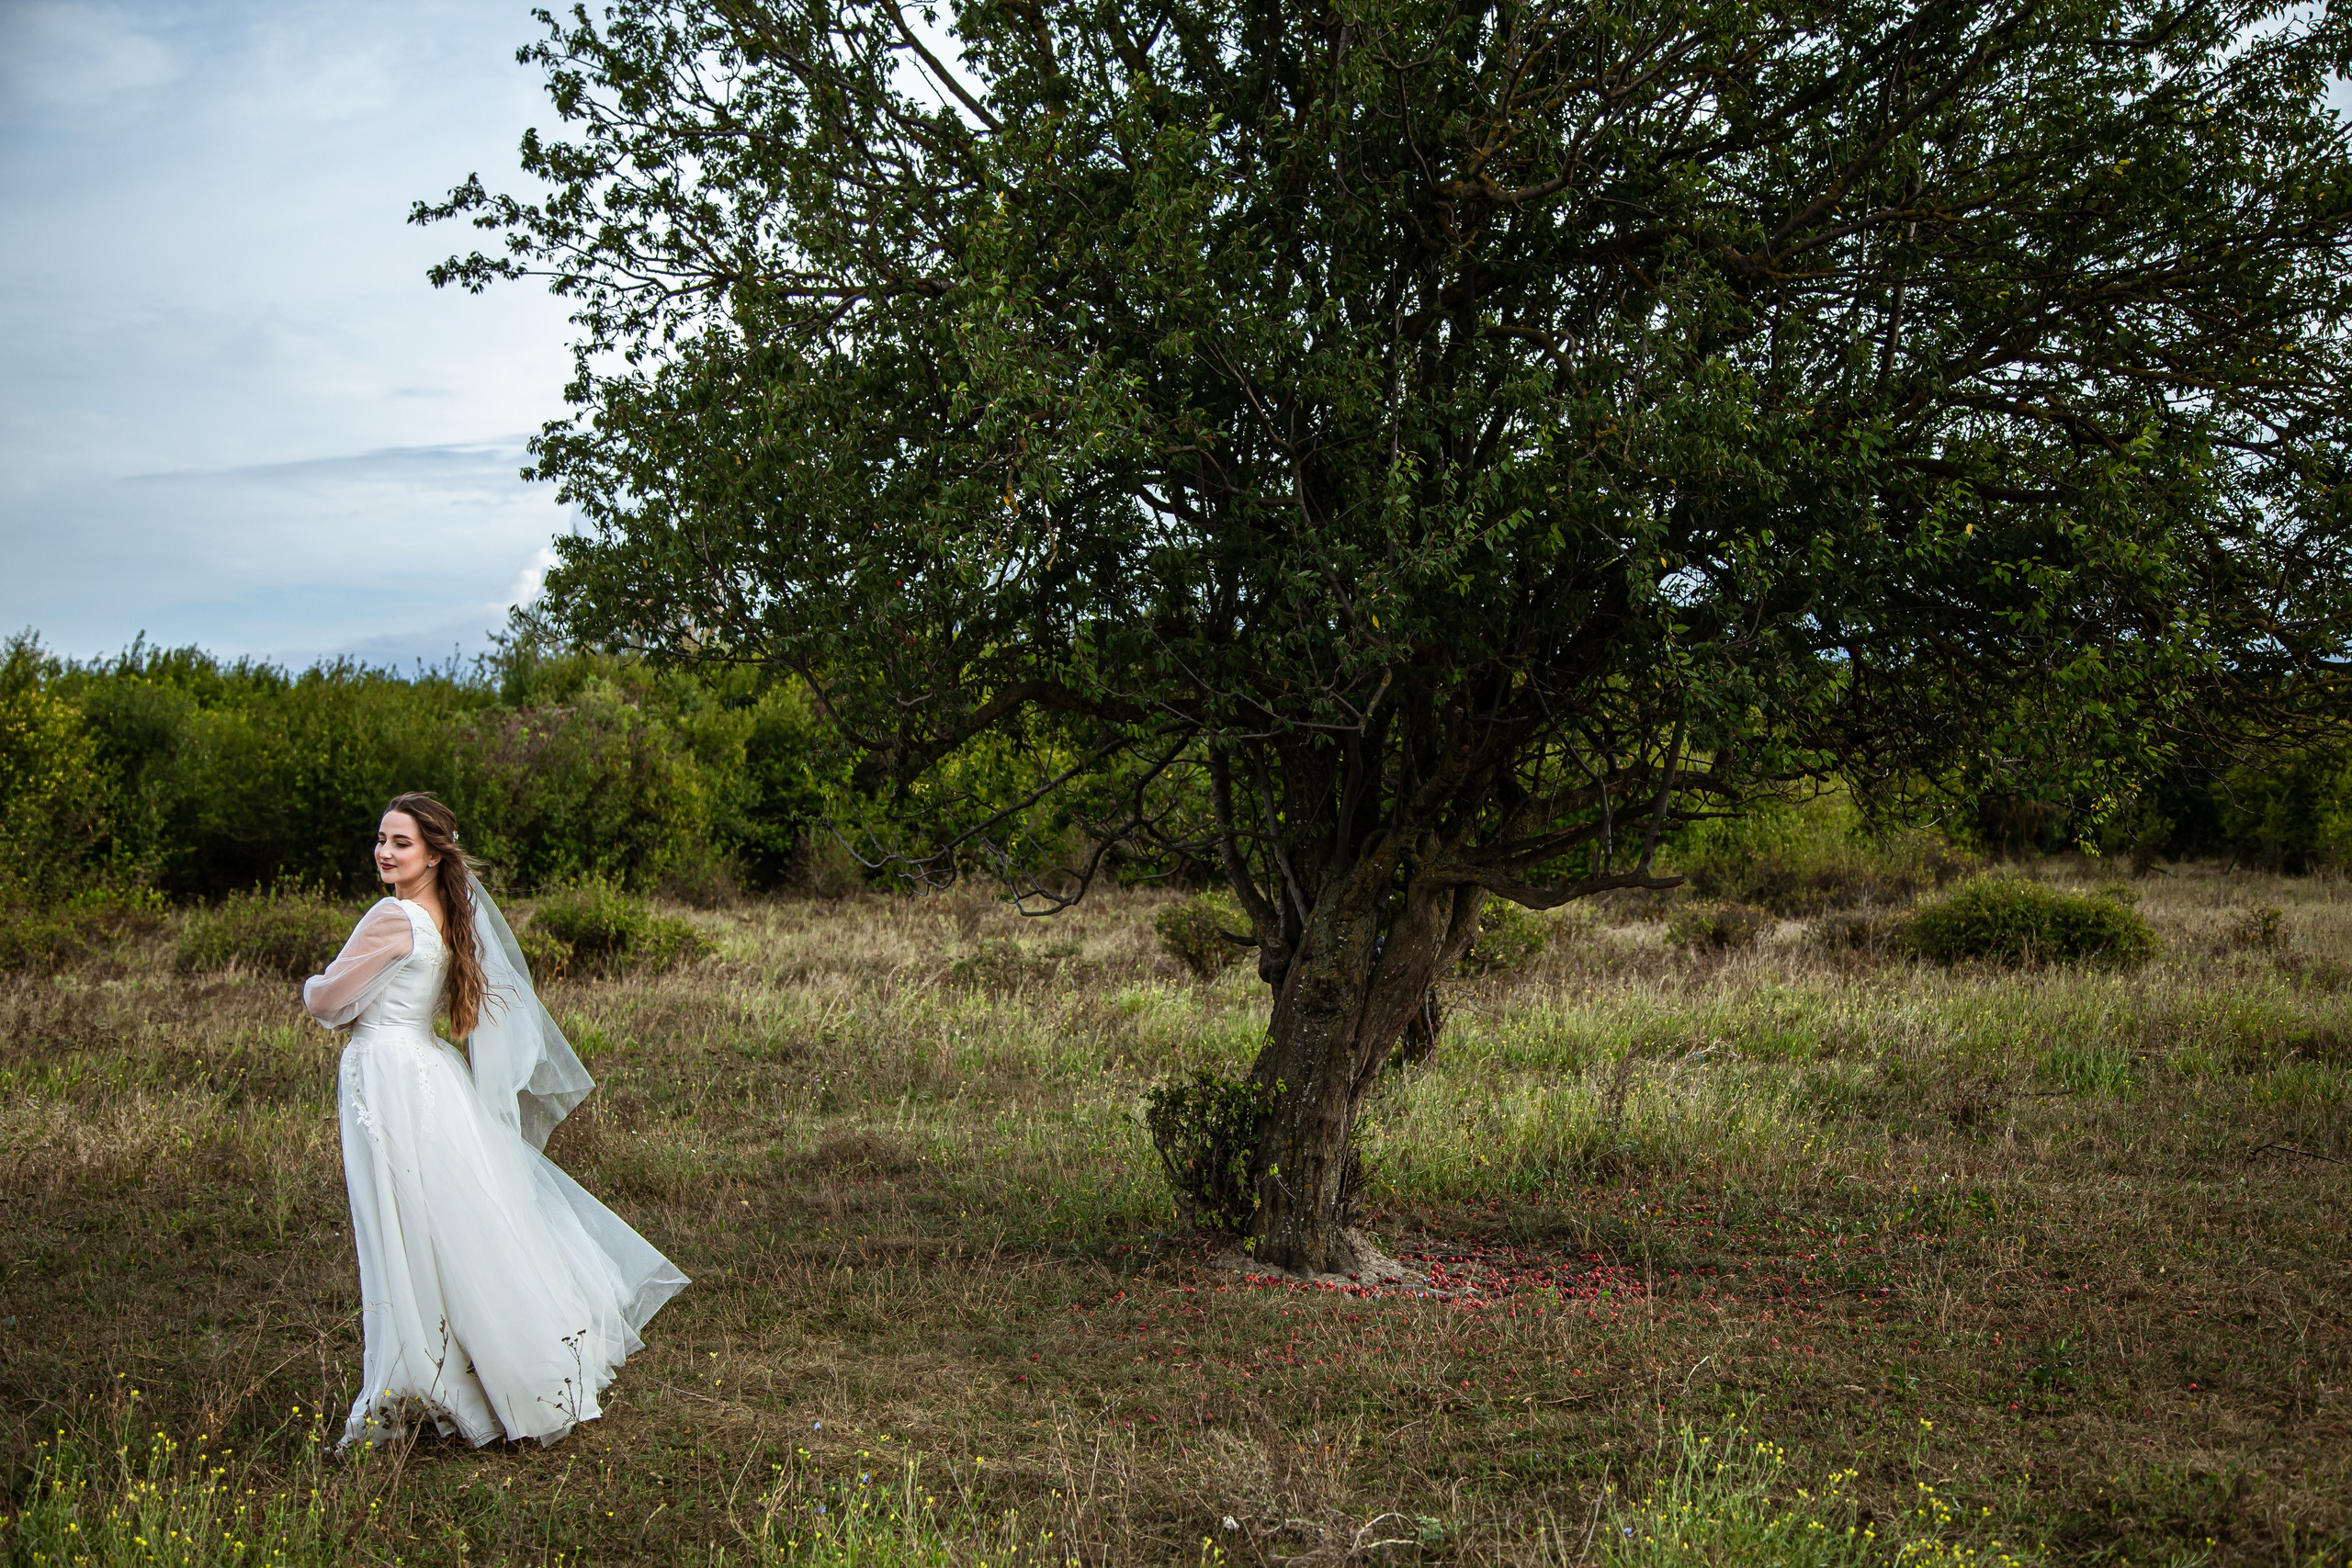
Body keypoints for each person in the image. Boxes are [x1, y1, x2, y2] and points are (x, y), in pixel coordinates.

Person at [302, 792, 686, 1448]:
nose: (384, 852)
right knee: (443, 1226)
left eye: (401, 842)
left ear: (432, 851)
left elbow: (331, 1003)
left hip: (391, 1078)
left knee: (399, 1228)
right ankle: (464, 1365)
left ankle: (418, 1376)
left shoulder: (391, 916)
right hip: (423, 1070)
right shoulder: (445, 914)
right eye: (381, 839)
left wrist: (313, 983)